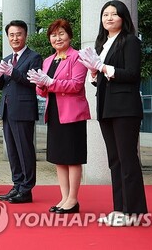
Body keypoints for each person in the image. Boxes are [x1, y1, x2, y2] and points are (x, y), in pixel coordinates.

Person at [78, 0, 148, 226]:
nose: (109, 18)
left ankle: (135, 213)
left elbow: (132, 74)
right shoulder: (103, 43)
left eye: (114, 14)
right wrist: (94, 73)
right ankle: (120, 209)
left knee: (127, 160)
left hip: (126, 109)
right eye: (105, 14)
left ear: (123, 18)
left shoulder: (130, 42)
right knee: (115, 161)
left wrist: (104, 68)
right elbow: (103, 80)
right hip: (107, 107)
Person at [28, 19, 90, 214]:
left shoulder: (77, 57)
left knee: (72, 157)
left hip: (72, 114)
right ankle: (64, 197)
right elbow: (43, 92)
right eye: (53, 35)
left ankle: (73, 199)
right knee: (59, 158)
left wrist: (51, 82)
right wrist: (40, 84)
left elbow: (76, 85)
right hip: (54, 113)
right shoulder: (48, 61)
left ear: (70, 36)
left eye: (61, 33)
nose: (57, 38)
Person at [0, 20, 42, 204]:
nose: (15, 38)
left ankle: (26, 189)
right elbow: (2, 85)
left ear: (25, 35)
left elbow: (32, 82)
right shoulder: (6, 59)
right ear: (7, 37)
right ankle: (16, 185)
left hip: (23, 110)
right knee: (13, 150)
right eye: (11, 35)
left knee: (24, 150)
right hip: (7, 110)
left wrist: (13, 72)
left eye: (18, 34)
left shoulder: (33, 57)